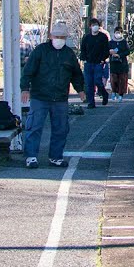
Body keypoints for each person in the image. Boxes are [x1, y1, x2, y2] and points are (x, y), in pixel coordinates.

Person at [20, 22, 84, 169]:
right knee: (34, 126)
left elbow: (76, 74)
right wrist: (25, 88)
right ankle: (31, 156)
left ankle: (56, 157)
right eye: (57, 36)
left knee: (61, 129)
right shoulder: (40, 51)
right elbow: (28, 70)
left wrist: (80, 89)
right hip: (39, 96)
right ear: (50, 36)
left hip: (60, 98)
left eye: (62, 37)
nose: (59, 39)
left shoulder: (69, 54)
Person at [79, 17, 111, 108]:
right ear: (90, 27)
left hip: (99, 63)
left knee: (97, 80)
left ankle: (104, 94)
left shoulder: (103, 37)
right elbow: (83, 49)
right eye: (93, 25)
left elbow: (106, 50)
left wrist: (103, 59)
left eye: (96, 25)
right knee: (89, 83)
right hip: (88, 63)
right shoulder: (86, 37)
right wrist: (83, 59)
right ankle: (91, 102)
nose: (95, 27)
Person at [108, 27, 130, 102]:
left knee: (122, 80)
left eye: (119, 32)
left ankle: (120, 95)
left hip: (122, 64)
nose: (117, 34)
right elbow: (106, 51)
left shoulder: (124, 42)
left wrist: (119, 55)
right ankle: (114, 92)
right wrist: (110, 52)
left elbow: (127, 51)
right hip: (113, 64)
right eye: (116, 32)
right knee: (113, 79)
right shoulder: (111, 42)